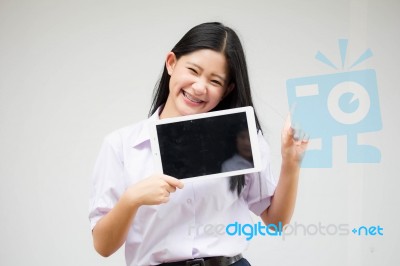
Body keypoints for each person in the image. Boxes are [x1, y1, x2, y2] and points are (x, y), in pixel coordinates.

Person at [89, 22, 308, 266]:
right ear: (171, 63)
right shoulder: (121, 145)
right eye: (193, 70)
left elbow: (275, 222)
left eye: (215, 81)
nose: (200, 87)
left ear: (227, 90)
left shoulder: (243, 139)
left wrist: (291, 161)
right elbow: (103, 246)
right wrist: (132, 199)